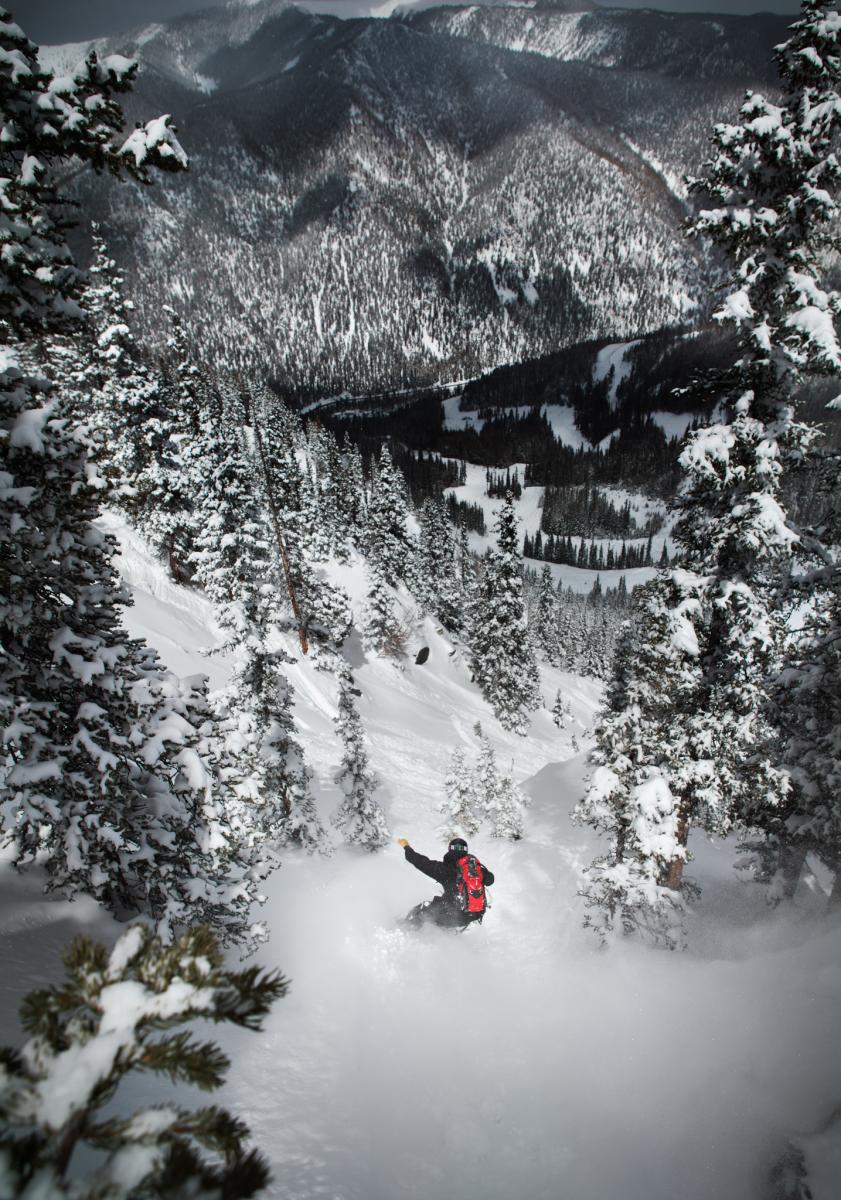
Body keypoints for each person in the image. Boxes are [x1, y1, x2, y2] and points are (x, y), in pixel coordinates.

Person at [398, 836, 494, 929]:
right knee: (441, 910)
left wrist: (406, 847)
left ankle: (406, 929)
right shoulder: (476, 870)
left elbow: (420, 862)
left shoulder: (444, 869)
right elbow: (490, 880)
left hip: (451, 914)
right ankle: (444, 936)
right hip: (472, 915)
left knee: (422, 909)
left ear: (450, 850)